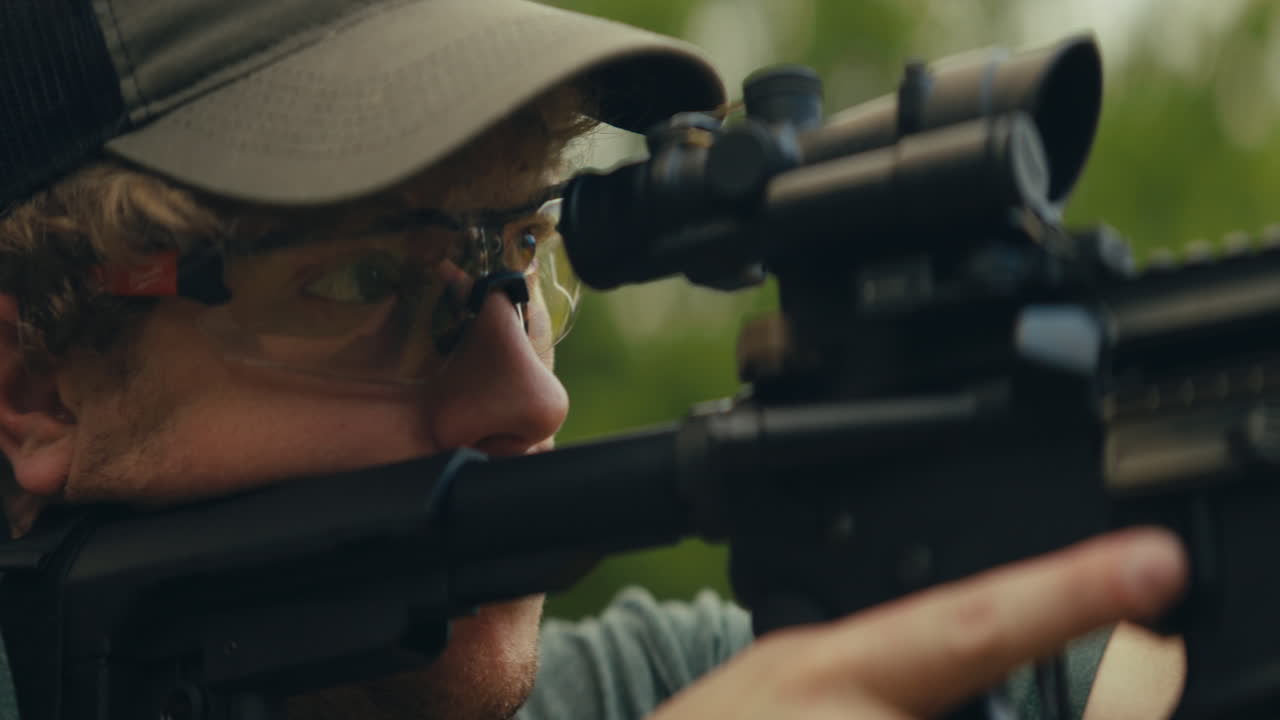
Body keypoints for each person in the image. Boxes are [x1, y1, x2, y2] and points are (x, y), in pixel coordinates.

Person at [0, 1, 1187, 718]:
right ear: (37, 384)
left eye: (521, 248)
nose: (531, 396)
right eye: (360, 281)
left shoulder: (642, 689)